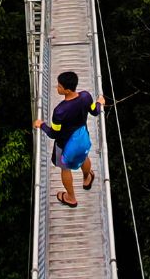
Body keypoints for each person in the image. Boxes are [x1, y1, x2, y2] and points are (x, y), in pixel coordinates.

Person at [33, 70, 105, 208]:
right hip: (82, 139)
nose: (57, 87)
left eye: (59, 86)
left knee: (65, 169)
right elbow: (94, 111)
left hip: (64, 145)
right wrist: (99, 103)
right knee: (84, 157)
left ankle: (71, 198)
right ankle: (87, 178)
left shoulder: (59, 111)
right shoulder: (85, 96)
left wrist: (41, 125)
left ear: (67, 90)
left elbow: (54, 134)